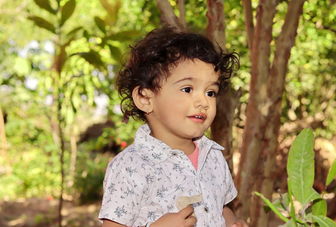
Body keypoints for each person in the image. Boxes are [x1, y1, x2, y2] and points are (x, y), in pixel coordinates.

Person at [99, 27, 248, 227]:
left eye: (210, 92)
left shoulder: (213, 156)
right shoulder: (130, 166)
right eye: (187, 89)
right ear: (145, 98)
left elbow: (219, 208)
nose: (203, 102)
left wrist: (232, 222)